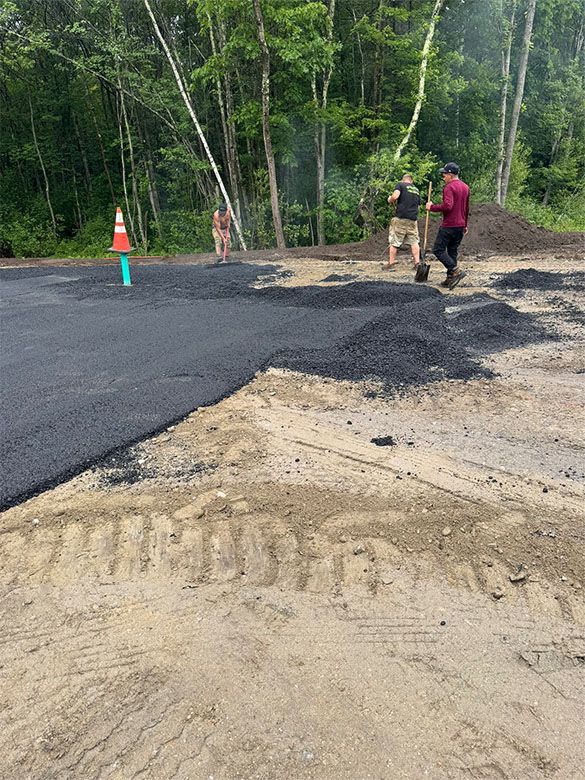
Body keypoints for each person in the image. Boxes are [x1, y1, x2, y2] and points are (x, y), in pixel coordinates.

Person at [426, 162, 470, 289]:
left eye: (444, 174)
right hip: (460, 225)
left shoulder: (449, 187)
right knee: (452, 251)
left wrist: (432, 207)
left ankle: (455, 270)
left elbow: (448, 206)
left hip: (449, 225)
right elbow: (466, 208)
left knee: (438, 249)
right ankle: (450, 278)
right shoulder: (466, 187)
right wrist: (465, 224)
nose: (443, 177)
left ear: (450, 175)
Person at [383, 174, 422, 270]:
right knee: (414, 241)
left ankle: (391, 264)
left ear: (403, 179)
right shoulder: (416, 190)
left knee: (395, 241)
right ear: (411, 181)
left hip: (401, 218)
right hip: (413, 219)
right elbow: (419, 206)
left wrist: (390, 199)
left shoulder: (400, 185)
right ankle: (417, 264)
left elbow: (395, 196)